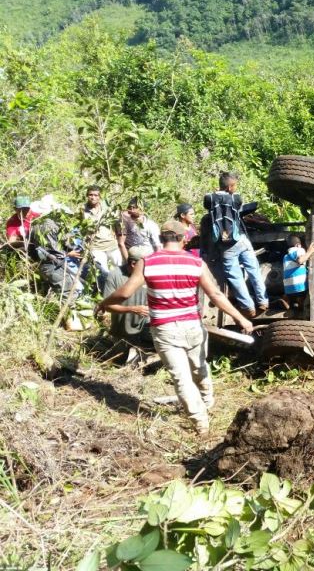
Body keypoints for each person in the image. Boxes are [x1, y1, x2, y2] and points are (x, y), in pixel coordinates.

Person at [97, 220, 254, 434]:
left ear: (161, 239)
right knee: (199, 367)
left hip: (165, 328)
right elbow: (215, 294)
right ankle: (207, 403)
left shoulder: (147, 262)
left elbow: (124, 293)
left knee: (181, 377)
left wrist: (103, 303)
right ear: (184, 239)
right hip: (193, 326)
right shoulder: (196, 263)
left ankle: (201, 423)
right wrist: (240, 318)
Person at [204, 171, 268, 317]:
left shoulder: (210, 198)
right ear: (231, 186)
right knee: (254, 270)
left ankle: (248, 306)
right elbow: (239, 207)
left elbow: (207, 204)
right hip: (240, 240)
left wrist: (216, 193)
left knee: (235, 276)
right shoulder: (236, 198)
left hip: (225, 245)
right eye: (235, 186)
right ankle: (263, 301)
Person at [102, 246, 151, 345]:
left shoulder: (150, 274)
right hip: (122, 334)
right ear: (133, 264)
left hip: (146, 331)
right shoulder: (115, 275)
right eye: (147, 264)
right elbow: (107, 306)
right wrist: (132, 309)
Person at [32, 217, 84, 304]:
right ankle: (68, 311)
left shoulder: (35, 227)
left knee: (68, 290)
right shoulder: (49, 226)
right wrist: (68, 254)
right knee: (69, 292)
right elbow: (53, 250)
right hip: (54, 265)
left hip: (48, 265)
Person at [82, 186, 121, 289]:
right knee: (103, 272)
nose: (93, 197)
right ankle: (109, 291)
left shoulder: (108, 209)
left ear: (100, 197)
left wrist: (120, 240)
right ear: (87, 195)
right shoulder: (82, 211)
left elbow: (118, 224)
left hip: (112, 244)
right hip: (96, 247)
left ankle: (123, 288)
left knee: (120, 268)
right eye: (90, 195)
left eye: (96, 195)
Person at [281, 234, 314, 313]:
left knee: (294, 294)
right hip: (299, 287)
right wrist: (310, 251)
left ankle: (287, 299)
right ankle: (300, 303)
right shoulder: (299, 250)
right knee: (311, 288)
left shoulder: (285, 256)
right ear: (298, 245)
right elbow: (300, 260)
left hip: (288, 288)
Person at [116, 197, 160, 261]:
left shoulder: (151, 225)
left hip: (147, 256)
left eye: (135, 207)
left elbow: (157, 245)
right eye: (130, 207)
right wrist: (128, 262)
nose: (131, 209)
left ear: (142, 210)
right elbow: (121, 243)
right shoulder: (123, 222)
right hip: (131, 256)